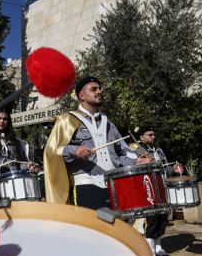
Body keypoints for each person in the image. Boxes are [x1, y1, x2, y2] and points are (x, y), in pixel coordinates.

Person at [42, 76, 144, 208]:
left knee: (114, 228)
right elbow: (52, 151)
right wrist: (75, 150)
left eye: (100, 89)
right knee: (92, 228)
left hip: (114, 186)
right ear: (82, 96)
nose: (99, 91)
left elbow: (121, 154)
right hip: (86, 186)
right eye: (94, 89)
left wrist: (136, 161)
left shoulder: (109, 124)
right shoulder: (66, 120)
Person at [131, 124, 181, 256]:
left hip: (162, 186)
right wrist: (145, 162)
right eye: (150, 135)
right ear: (141, 137)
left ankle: (158, 247)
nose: (154, 137)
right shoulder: (135, 149)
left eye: (154, 134)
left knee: (162, 218)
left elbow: (163, 168)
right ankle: (149, 249)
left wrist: (173, 170)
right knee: (151, 219)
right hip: (147, 187)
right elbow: (132, 167)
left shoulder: (158, 149)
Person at [0, 108, 39, 176]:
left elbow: (20, 164)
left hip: (14, 181)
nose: (2, 121)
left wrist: (28, 166)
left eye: (5, 119)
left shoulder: (15, 142)